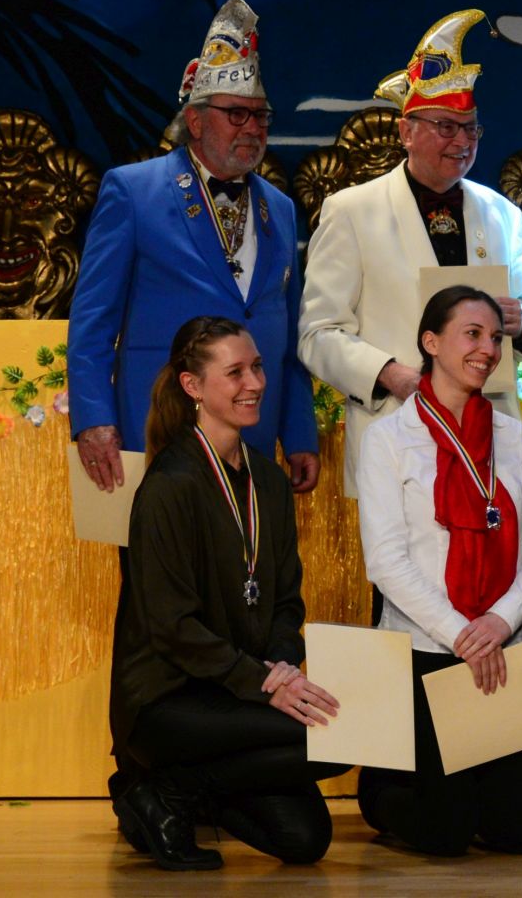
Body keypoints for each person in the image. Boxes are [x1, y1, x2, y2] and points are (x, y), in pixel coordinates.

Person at [112, 316, 346, 871]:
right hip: (169, 699)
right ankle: (165, 791)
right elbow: (172, 628)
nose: (255, 383)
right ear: (192, 386)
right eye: (235, 372)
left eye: (258, 367)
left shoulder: (268, 480)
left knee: (305, 839)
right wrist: (263, 683)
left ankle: (171, 789)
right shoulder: (169, 485)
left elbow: (287, 600)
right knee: (338, 736)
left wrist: (283, 665)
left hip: (242, 687)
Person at [69, 0, 318, 495]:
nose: (253, 129)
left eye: (261, 116)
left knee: (249, 548)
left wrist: (298, 433)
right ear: (197, 121)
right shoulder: (132, 191)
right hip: (159, 426)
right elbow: (93, 321)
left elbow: (288, 338)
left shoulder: (281, 207)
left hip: (253, 434)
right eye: (237, 115)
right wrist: (93, 418)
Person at [299, 9, 522, 498]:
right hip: (398, 437)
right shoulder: (352, 211)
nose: (462, 142)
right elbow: (318, 333)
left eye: (470, 129)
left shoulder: (501, 213)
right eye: (445, 127)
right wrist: (388, 374)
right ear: (405, 132)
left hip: (490, 440)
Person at [353, 286, 522, 856]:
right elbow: (386, 561)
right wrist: (462, 634)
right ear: (431, 342)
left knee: (516, 835)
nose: (488, 350)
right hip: (429, 647)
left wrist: (499, 621)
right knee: (445, 831)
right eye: (472, 334)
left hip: (508, 643)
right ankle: (379, 791)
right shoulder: (387, 440)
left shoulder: (513, 436)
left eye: (494, 338)